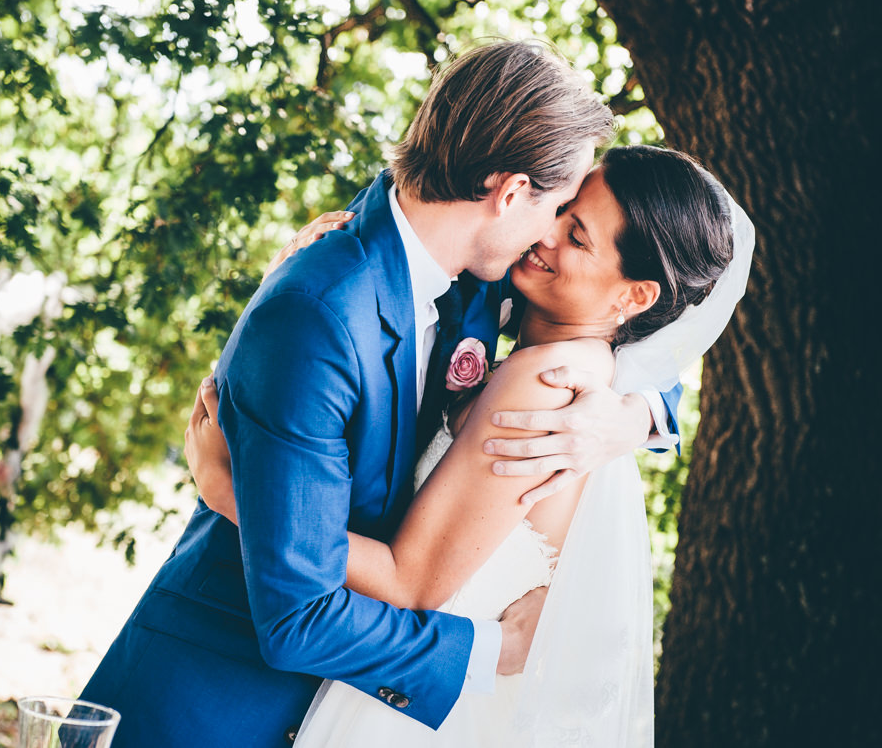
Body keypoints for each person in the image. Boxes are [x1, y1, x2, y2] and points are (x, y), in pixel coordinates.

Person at [79, 40, 674, 748]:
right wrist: (496, 653)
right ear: (511, 192)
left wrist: (637, 416)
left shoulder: (479, 273)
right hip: (215, 706)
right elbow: (300, 618)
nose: (549, 240)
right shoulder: (318, 315)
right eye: (559, 211)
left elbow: (639, 328)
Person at [189, 145, 754, 746]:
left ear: (636, 297)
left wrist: (238, 497)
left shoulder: (545, 386)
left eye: (578, 237)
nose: (544, 234)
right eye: (561, 208)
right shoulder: (569, 361)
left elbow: (409, 583)